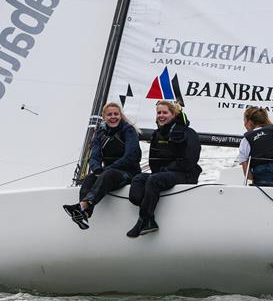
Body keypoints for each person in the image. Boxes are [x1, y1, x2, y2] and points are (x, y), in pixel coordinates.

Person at [127, 100, 201, 238]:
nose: (161, 115)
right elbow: (153, 161)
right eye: (158, 112)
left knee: (154, 180)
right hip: (163, 174)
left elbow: (190, 160)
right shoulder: (156, 134)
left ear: (173, 114)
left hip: (186, 174)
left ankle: (143, 221)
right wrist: (160, 172)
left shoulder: (189, 133)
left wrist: (167, 170)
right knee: (138, 179)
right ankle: (150, 219)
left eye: (165, 112)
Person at [62, 102, 141, 230]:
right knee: (89, 179)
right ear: (104, 117)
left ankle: (81, 206)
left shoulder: (128, 130)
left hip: (129, 173)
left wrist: (107, 169)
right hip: (108, 172)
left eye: (116, 114)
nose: (113, 117)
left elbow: (131, 156)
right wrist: (97, 169)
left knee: (108, 174)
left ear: (120, 116)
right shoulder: (100, 133)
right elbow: (94, 156)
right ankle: (85, 214)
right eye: (110, 114)